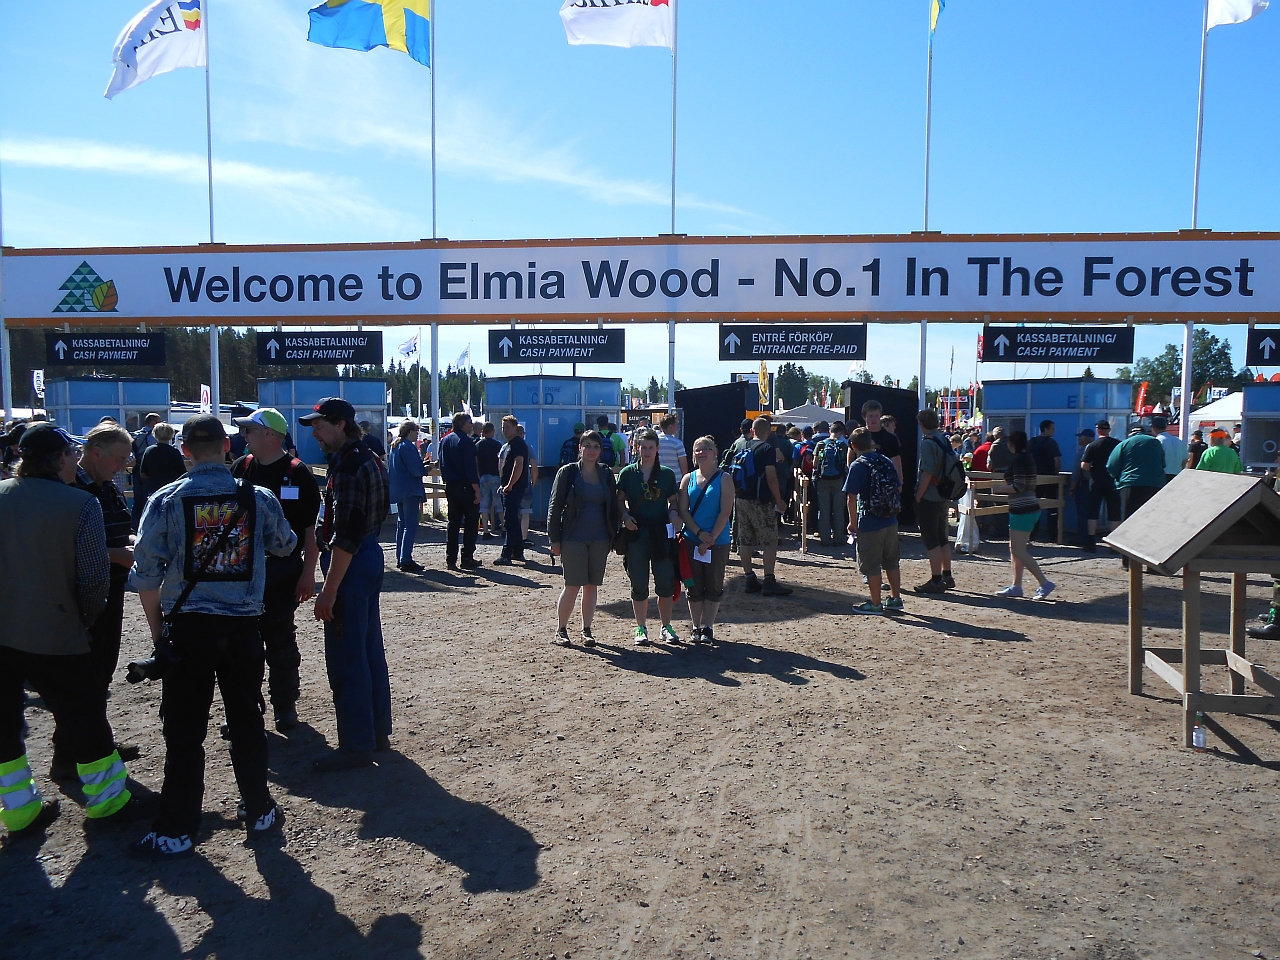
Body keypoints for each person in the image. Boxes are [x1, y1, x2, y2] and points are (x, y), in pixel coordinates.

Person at [129, 414, 296, 858]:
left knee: (184, 730)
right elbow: (284, 544)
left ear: (184, 450)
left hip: (188, 629)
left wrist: (159, 634)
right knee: (246, 721)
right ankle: (259, 809)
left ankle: (176, 829)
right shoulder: (258, 497)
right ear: (226, 446)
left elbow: (145, 574)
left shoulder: (166, 500)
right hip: (242, 627)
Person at [1, 424, 131, 835]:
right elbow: (94, 579)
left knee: (4, 723)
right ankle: (108, 802)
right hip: (58, 631)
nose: (76, 460)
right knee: (84, 716)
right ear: (60, 458)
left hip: (4, 632)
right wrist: (85, 621)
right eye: (72, 454)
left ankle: (18, 810)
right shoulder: (79, 503)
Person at [300, 398, 392, 773]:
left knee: (346, 657)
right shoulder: (366, 457)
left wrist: (329, 588)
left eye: (320, 426)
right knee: (368, 649)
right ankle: (375, 732)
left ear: (340, 425)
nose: (315, 434)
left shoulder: (351, 465)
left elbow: (347, 534)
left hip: (351, 561)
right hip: (367, 556)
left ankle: (355, 745)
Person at [230, 407, 322, 732]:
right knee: (242, 644)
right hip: (242, 571)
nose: (244, 435)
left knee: (280, 639)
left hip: (281, 571)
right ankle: (246, 709)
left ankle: (285, 705)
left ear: (270, 434)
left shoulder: (298, 473)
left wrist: (308, 573)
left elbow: (310, 531)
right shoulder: (241, 467)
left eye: (250, 430)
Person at [72, 423, 136, 708]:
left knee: (105, 663)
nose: (123, 466)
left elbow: (121, 530)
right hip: (84, 594)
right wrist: (117, 554)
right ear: (96, 453)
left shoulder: (109, 487)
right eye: (119, 459)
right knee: (84, 670)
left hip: (114, 587)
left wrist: (135, 542)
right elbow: (67, 547)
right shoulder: (72, 488)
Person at [548, 430, 619, 646]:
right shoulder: (568, 472)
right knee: (572, 585)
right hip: (573, 538)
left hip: (600, 538)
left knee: (591, 585)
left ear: (601, 450)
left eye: (596, 446)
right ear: (580, 448)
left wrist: (613, 535)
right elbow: (555, 506)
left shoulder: (606, 474)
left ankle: (586, 630)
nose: (591, 450)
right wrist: (554, 539)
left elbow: (613, 507)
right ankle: (561, 630)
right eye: (587, 445)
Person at [616, 428, 681, 645]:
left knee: (665, 580)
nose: (647, 451)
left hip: (660, 533)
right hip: (636, 533)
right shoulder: (628, 473)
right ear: (636, 448)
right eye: (643, 447)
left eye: (650, 447)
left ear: (657, 448)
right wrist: (625, 516)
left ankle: (666, 626)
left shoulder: (667, 474)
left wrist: (674, 512)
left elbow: (673, 500)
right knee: (638, 581)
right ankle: (641, 627)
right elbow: (619, 500)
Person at [677, 435, 735, 644]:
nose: (701, 453)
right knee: (693, 585)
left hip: (717, 542)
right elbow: (683, 510)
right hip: (692, 540)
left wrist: (710, 538)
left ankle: (708, 627)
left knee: (713, 584)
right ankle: (695, 626)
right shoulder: (688, 479)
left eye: (705, 449)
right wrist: (699, 533)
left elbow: (725, 511)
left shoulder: (724, 478)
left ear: (714, 452)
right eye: (697, 449)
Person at [845, 427, 904, 614]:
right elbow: (898, 486)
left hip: (870, 521)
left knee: (871, 564)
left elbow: (851, 497)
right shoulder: (885, 460)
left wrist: (852, 522)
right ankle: (895, 598)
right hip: (891, 519)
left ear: (853, 446)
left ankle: (876, 603)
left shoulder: (857, 466)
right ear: (871, 442)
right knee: (891, 561)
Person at [731, 417, 793, 597]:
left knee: (745, 539)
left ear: (752, 430)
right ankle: (769, 580)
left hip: (741, 498)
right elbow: (771, 477)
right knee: (769, 540)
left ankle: (749, 578)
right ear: (768, 432)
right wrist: (779, 500)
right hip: (760, 500)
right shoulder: (767, 449)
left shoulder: (742, 446)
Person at [996, 431, 1055, 600]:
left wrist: (1000, 489)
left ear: (1012, 444)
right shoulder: (1027, 458)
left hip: (1023, 509)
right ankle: (1017, 586)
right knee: (1015, 549)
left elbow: (1018, 486)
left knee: (1018, 550)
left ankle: (1044, 583)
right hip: (1025, 508)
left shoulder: (1020, 460)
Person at [912, 409, 956, 593]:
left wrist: (918, 496)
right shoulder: (944, 439)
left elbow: (927, 472)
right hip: (943, 495)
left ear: (922, 424)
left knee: (931, 540)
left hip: (929, 496)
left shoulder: (928, 443)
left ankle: (936, 580)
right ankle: (947, 575)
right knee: (942, 538)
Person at [439, 412, 482, 571]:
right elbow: (470, 468)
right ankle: (467, 557)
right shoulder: (466, 442)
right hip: (466, 486)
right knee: (471, 523)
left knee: (453, 523)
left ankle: (451, 558)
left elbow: (441, 463)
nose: (472, 425)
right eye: (469, 422)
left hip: (451, 486)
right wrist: (476, 489)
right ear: (462, 423)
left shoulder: (445, 440)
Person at [387, 419, 429, 572]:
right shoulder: (408, 447)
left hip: (398, 489)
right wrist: (426, 469)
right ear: (410, 431)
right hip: (410, 490)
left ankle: (400, 557)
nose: (417, 435)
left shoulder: (395, 446)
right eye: (416, 432)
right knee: (410, 525)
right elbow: (416, 470)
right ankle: (406, 559)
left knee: (402, 524)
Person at [1107, 425, 1166, 520]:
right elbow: (1162, 463)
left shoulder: (1124, 443)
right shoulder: (1156, 443)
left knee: (1129, 518)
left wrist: (1118, 478)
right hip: (1154, 484)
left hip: (1130, 484)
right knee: (1151, 518)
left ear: (1130, 433)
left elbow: (1111, 466)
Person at [1080, 420, 1122, 551]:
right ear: (1109, 430)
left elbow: (1085, 465)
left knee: (1093, 511)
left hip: (1096, 481)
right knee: (1114, 512)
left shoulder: (1092, 445)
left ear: (1098, 430)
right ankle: (1114, 545)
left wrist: (1093, 470)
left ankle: (1091, 542)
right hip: (1113, 481)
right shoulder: (1118, 444)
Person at [495, 416, 530, 565]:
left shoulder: (518, 444)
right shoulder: (510, 444)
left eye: (508, 427)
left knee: (509, 520)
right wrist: (503, 484)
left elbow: (518, 465)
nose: (505, 430)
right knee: (513, 520)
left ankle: (506, 553)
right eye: (503, 428)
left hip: (514, 487)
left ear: (515, 427)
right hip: (509, 487)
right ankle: (517, 551)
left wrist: (510, 485)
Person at [812, 420, 849, 549]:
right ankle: (839, 537)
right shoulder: (843, 445)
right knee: (838, 509)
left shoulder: (821, 444)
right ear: (841, 432)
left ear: (830, 431)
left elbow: (815, 463)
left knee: (824, 509)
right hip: (839, 480)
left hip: (823, 480)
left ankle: (825, 538)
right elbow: (846, 464)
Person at [138, 423, 187, 518]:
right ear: (171, 434)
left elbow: (143, 473)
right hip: (172, 490)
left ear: (155, 434)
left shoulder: (149, 450)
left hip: (154, 490)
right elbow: (182, 472)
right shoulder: (174, 452)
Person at [1028, 420, 1062, 541]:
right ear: (1046, 429)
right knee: (1052, 508)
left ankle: (1032, 533)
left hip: (1034, 479)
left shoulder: (1031, 442)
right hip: (1049, 479)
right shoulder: (1051, 443)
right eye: (1052, 428)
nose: (1054, 431)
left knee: (1034, 507)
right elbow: (1057, 460)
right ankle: (1053, 535)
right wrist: (1056, 473)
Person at [130, 412, 163, 530]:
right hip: (149, 470)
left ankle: (134, 527)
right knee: (148, 499)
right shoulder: (153, 437)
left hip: (136, 469)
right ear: (154, 423)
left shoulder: (136, 435)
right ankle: (146, 527)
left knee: (137, 500)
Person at [860, 401, 902, 481]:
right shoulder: (858, 435)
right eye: (871, 416)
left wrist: (899, 482)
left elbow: (897, 464)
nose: (874, 419)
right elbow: (850, 459)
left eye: (876, 415)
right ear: (864, 417)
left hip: (883, 481)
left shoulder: (890, 438)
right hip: (862, 480)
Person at [476, 421, 503, 538]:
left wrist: (479, 475)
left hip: (483, 476)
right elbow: (501, 462)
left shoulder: (478, 445)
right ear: (493, 431)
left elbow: (476, 462)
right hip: (495, 476)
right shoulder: (497, 445)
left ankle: (486, 531)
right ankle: (504, 528)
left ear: (482, 432)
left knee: (484, 505)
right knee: (499, 504)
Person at [1069, 428, 1094, 546]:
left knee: (1082, 513)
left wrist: (1072, 488)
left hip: (1083, 485)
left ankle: (1082, 538)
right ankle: (1090, 537)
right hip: (1095, 484)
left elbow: (1076, 473)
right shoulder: (1096, 449)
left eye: (1081, 437)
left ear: (1086, 439)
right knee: (1091, 513)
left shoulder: (1082, 452)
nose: (1079, 438)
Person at [1152, 415, 1189, 485]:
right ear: (1166, 427)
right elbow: (1185, 459)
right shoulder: (1178, 441)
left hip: (1162, 475)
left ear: (1153, 428)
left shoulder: (1156, 441)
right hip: (1176, 475)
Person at [657, 413, 688, 480]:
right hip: (675, 479)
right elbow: (684, 466)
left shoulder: (655, 442)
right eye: (676, 425)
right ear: (670, 427)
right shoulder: (678, 443)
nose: (677, 427)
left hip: (658, 478)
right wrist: (685, 480)